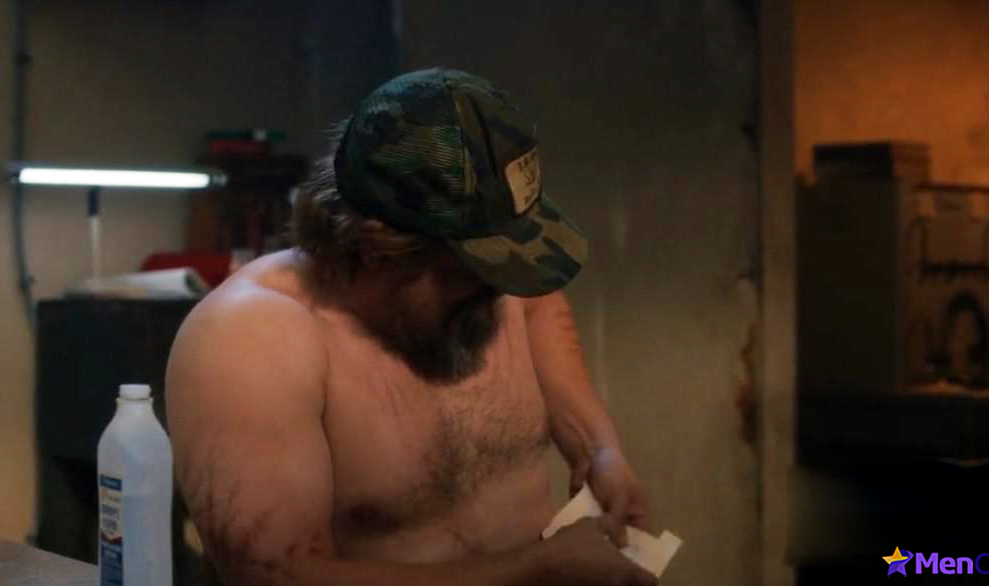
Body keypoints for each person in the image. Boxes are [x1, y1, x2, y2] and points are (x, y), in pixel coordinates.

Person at [166, 68, 656, 586]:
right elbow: (275, 579)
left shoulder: (495, 286)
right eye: (468, 271)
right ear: (377, 248)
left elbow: (562, 372)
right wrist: (539, 568)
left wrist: (602, 454)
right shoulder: (248, 343)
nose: (498, 291)